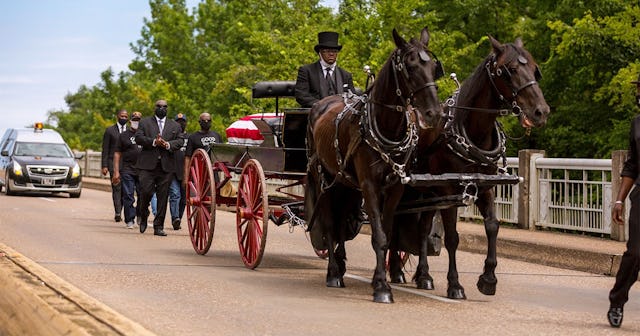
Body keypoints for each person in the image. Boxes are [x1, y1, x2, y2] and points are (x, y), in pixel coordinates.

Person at [607, 73, 640, 328]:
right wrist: (619, 200)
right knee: (635, 253)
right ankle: (617, 300)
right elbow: (632, 165)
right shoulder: (637, 124)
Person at [134, 100, 184, 236]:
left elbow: (180, 141)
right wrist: (154, 142)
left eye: (164, 107)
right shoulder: (144, 122)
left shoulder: (174, 125)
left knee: (163, 197)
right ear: (155, 107)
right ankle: (143, 214)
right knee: (145, 192)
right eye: (159, 106)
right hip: (147, 165)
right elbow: (138, 138)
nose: (162, 108)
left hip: (166, 166)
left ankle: (158, 226)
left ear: (167, 109)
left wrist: (167, 144)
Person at [294, 31, 355, 108]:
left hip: (340, 116)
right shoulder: (306, 71)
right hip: (315, 115)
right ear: (320, 53)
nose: (331, 54)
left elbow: (353, 98)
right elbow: (301, 96)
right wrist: (323, 106)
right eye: (328, 51)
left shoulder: (345, 75)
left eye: (334, 51)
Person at [112, 111, 142, 229]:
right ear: (130, 122)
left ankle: (140, 214)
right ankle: (129, 219)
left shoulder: (145, 135)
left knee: (143, 195)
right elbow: (117, 154)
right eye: (134, 120)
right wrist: (116, 171)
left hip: (143, 170)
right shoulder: (123, 135)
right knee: (128, 195)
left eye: (138, 120)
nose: (136, 122)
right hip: (127, 169)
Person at [101, 109, 128, 223]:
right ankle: (118, 212)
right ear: (117, 116)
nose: (124, 118)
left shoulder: (131, 131)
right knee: (116, 188)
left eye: (126, 116)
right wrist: (104, 165)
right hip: (113, 163)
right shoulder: (110, 131)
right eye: (122, 116)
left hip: (127, 164)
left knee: (125, 190)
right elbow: (105, 149)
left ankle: (121, 209)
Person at [183, 113, 222, 189]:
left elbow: (221, 153)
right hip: (199, 173)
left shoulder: (217, 135)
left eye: (209, 120)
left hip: (214, 171)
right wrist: (186, 177)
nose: (207, 122)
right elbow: (188, 158)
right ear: (199, 122)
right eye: (204, 120)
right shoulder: (193, 137)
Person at [169, 113, 188, 230]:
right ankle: (175, 217)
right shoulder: (170, 137)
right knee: (175, 195)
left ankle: (178, 219)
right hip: (172, 170)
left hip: (186, 173)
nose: (180, 124)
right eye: (178, 121)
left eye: (182, 121)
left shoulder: (190, 138)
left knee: (184, 198)